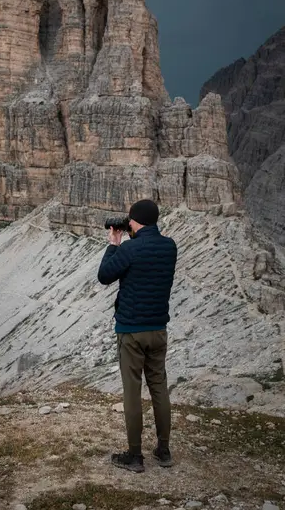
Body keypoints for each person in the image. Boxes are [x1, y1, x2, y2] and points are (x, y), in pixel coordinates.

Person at [97, 199, 177, 473]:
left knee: (132, 391)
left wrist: (114, 243)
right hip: (158, 330)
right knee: (159, 388)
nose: (127, 223)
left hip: (131, 332)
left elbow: (104, 276)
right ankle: (163, 450)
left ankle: (134, 455)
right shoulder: (170, 247)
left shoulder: (130, 249)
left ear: (136, 221)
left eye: (130, 220)